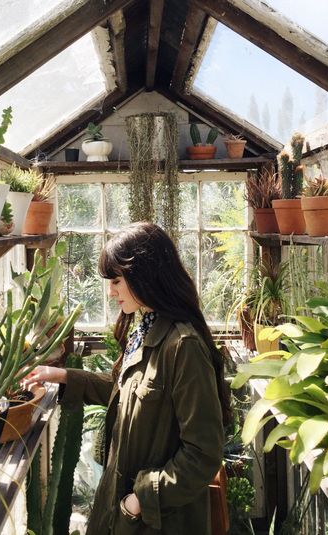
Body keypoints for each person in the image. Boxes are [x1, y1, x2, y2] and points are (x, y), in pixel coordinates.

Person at [26, 222, 230, 534]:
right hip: (123, 511)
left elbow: (203, 454)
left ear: (144, 276)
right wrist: (64, 377)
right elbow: (127, 392)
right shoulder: (147, 327)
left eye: (116, 281)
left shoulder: (183, 346)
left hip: (157, 521)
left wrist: (140, 500)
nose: (110, 291)